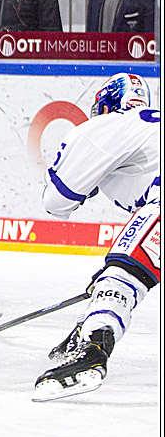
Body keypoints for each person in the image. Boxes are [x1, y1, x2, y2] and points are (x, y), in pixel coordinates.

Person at [34, 73, 159, 402]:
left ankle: (92, 351)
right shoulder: (148, 128)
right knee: (122, 271)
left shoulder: (108, 125)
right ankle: (88, 326)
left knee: (121, 277)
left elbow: (57, 201)